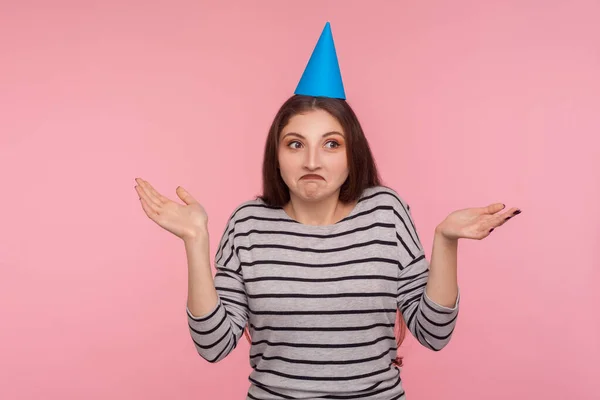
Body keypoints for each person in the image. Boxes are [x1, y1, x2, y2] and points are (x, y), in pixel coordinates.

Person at [134, 22, 521, 400]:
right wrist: (195, 241)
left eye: (331, 144)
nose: (312, 161)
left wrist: (446, 241)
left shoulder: (386, 213)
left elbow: (433, 335)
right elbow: (213, 346)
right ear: (277, 154)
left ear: (353, 153)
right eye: (296, 144)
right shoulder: (248, 223)